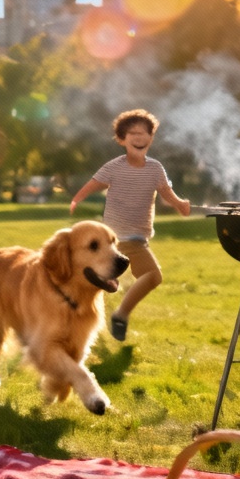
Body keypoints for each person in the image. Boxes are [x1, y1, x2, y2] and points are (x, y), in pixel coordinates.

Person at [69, 108, 191, 341]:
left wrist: (180, 205)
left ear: (151, 138)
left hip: (135, 238)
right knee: (152, 276)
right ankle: (119, 315)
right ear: (121, 139)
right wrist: (77, 198)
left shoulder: (155, 168)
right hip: (119, 239)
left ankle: (83, 317)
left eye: (144, 133)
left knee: (100, 283)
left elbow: (167, 193)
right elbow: (94, 183)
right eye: (132, 133)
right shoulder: (114, 167)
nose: (138, 138)